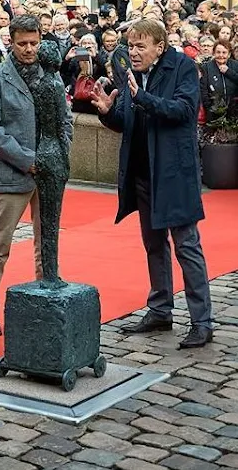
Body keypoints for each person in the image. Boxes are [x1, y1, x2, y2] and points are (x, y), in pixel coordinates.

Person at [90, 18, 213, 348]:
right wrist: (107, 112)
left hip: (174, 175)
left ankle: (202, 321)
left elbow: (183, 111)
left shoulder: (183, 67)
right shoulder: (129, 71)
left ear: (160, 47)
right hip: (142, 173)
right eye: (130, 45)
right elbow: (128, 121)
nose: (133, 52)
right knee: (154, 245)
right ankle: (160, 310)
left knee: (187, 248)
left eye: (140, 46)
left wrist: (142, 97)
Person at [0, 15, 73, 335]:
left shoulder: (51, 73)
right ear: (11, 41)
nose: (29, 49)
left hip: (50, 169)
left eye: (34, 42)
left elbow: (65, 119)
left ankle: (44, 295)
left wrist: (59, 154)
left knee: (46, 240)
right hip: (14, 172)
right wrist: (27, 160)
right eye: (22, 44)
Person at [200, 39, 238, 122]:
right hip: (213, 112)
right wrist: (211, 107)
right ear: (213, 53)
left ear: (229, 54)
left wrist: (229, 72)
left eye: (224, 52)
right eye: (218, 52)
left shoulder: (235, 65)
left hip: (234, 111)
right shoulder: (206, 67)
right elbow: (203, 90)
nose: (221, 55)